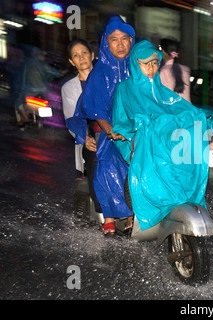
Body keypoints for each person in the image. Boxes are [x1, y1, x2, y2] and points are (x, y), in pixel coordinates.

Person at [111, 40, 213, 231]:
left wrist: (198, 116)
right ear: (136, 65)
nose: (151, 68)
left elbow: (178, 109)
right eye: (145, 63)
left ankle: (180, 202)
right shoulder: (126, 88)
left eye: (154, 63)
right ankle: (144, 210)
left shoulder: (160, 88)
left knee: (186, 154)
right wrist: (126, 128)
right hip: (141, 141)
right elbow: (121, 118)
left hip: (163, 140)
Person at [66, 16, 135, 237]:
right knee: (106, 165)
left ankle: (136, 213)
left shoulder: (138, 68)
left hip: (135, 129)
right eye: (114, 39)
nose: (121, 44)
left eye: (125, 39)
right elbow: (94, 109)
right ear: (107, 42)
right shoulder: (99, 74)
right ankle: (109, 216)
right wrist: (110, 131)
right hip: (106, 132)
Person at [61, 39, 102, 215]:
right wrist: (85, 138)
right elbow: (71, 118)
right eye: (76, 55)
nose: (81, 58)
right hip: (88, 135)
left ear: (92, 55)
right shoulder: (69, 88)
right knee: (93, 158)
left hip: (112, 131)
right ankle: (104, 212)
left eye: (84, 53)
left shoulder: (106, 79)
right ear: (71, 61)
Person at [15, 47, 63, 127]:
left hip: (31, 91)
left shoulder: (27, 65)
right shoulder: (44, 65)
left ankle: (25, 118)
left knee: (18, 103)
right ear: (40, 56)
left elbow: (23, 79)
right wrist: (63, 72)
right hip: (45, 91)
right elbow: (55, 73)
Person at [159, 38, 191, 103]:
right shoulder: (186, 69)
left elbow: (163, 98)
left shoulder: (163, 71)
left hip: (173, 111)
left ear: (163, 52)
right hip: (188, 110)